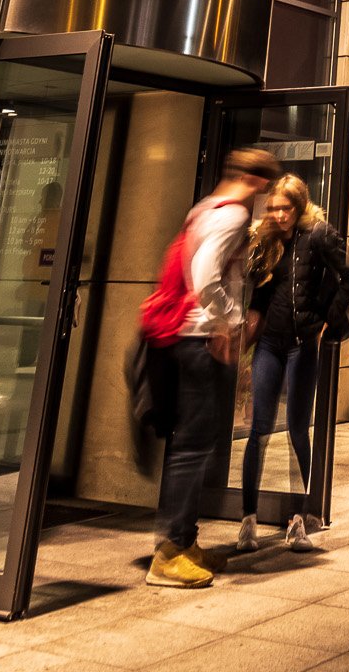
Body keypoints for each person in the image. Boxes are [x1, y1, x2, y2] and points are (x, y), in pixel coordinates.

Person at [147, 146, 280, 589]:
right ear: (257, 182)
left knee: (190, 443)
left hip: (183, 337)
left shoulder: (205, 208)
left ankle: (184, 542)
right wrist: (231, 320)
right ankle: (170, 553)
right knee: (193, 445)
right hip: (201, 339)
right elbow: (205, 274)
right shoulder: (233, 215)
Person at [237, 173, 349, 553]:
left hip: (302, 345)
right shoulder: (266, 239)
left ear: (300, 206)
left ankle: (298, 520)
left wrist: (328, 321)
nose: (279, 215)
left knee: (296, 430)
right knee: (258, 431)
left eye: (286, 208)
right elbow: (259, 296)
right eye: (274, 208)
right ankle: (248, 521)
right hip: (269, 345)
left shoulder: (319, 235)